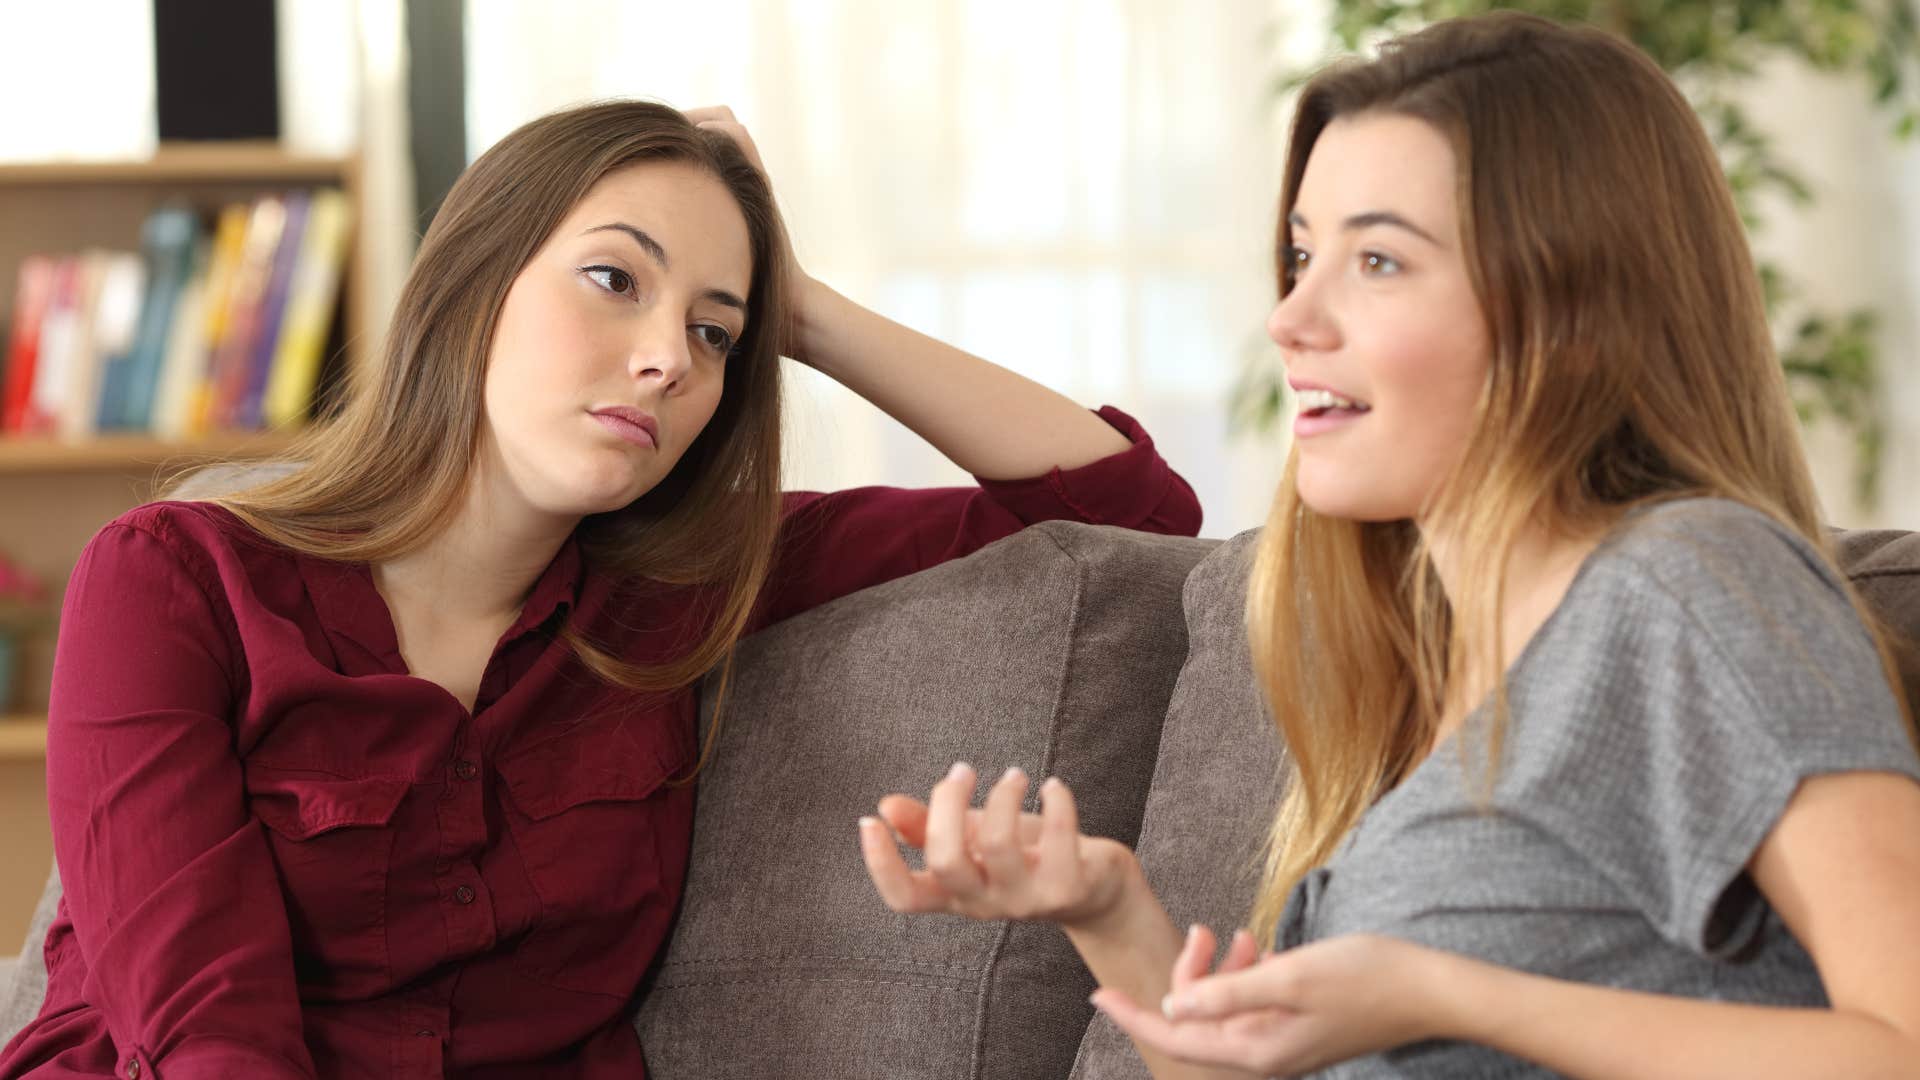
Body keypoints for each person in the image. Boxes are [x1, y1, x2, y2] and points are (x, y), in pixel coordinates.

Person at [0, 102, 1201, 1078]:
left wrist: (803, 308)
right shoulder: (173, 578)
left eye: (716, 334)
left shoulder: (683, 593)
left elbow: (1130, 512)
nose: (669, 357)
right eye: (615, 280)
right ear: (474, 282)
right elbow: (211, 1036)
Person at [859, 12, 1920, 1077]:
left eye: (1377, 260)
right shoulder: (1445, 667)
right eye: (1302, 254)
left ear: (1571, 315)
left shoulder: (1693, 583)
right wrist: (1105, 911)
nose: (1289, 317)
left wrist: (1441, 992)